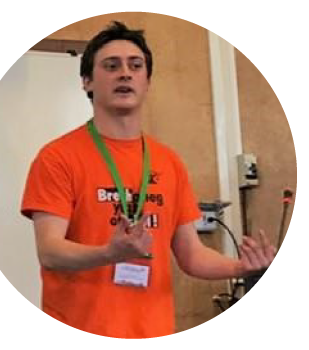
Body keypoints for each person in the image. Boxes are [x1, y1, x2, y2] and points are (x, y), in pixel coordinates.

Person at [21, 21, 275, 338]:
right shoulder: (58, 157)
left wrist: (242, 267)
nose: (125, 73)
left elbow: (192, 255)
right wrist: (109, 253)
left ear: (147, 82)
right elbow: (50, 251)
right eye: (111, 66)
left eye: (135, 66)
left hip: (155, 331)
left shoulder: (169, 162)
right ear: (87, 82)